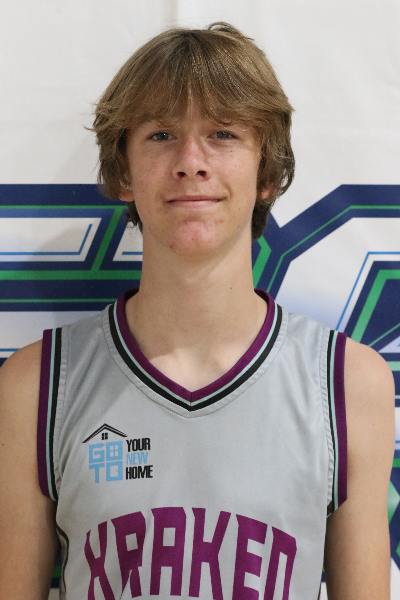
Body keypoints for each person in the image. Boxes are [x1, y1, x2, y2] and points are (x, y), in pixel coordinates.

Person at [0, 22, 395, 600]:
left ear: (267, 172)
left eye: (222, 133)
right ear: (124, 171)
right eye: (161, 134)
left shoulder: (347, 384)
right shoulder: (37, 386)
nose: (191, 161)